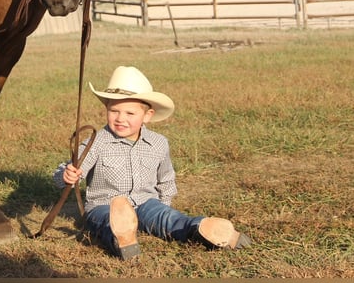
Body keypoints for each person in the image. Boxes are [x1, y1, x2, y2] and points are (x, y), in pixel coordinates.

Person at [53, 65, 251, 260]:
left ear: (147, 115)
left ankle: (204, 229)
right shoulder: (96, 142)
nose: (120, 118)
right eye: (114, 111)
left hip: (146, 202)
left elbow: (165, 179)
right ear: (106, 108)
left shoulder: (158, 143)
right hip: (105, 205)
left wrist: (164, 206)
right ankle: (122, 238)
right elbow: (70, 170)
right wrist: (67, 175)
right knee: (107, 223)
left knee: (170, 220)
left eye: (130, 114)